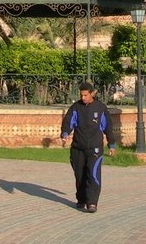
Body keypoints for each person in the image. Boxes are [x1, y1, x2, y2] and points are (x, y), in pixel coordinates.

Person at [60, 82, 115, 212]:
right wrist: (65, 134)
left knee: (93, 174)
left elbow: (108, 127)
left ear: (91, 94)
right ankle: (81, 199)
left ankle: (92, 202)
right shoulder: (76, 107)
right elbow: (68, 122)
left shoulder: (100, 108)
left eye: (85, 95)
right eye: (81, 95)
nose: (83, 97)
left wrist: (111, 144)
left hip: (95, 148)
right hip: (78, 147)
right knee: (80, 175)